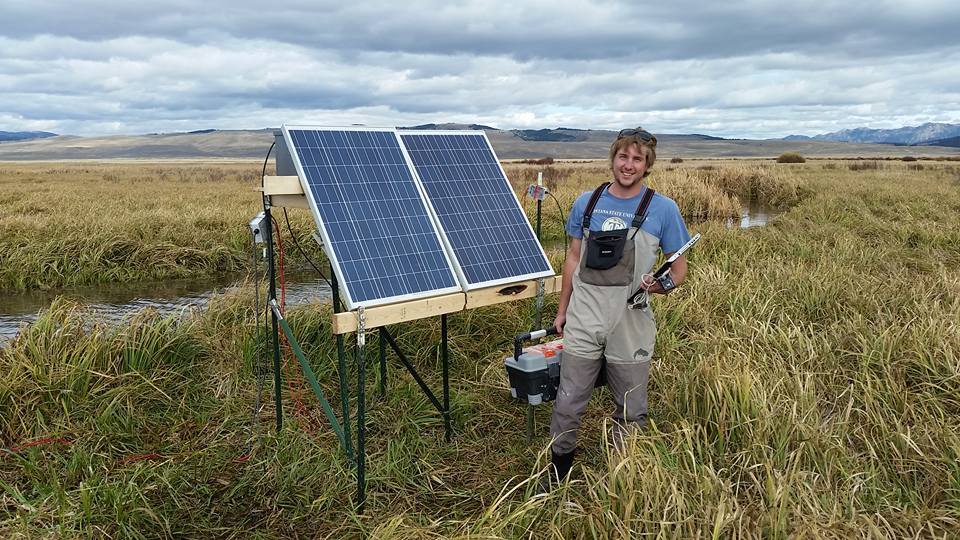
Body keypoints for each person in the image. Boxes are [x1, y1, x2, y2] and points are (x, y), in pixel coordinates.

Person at [546, 127, 691, 485]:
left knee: (630, 407)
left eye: (637, 159)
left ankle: (622, 478)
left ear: (647, 165)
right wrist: (563, 310)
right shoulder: (587, 202)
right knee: (568, 401)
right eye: (623, 156)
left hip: (631, 321)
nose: (628, 165)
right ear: (613, 158)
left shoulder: (663, 209)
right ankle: (557, 474)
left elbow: (679, 267)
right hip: (585, 317)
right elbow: (573, 260)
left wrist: (661, 285)